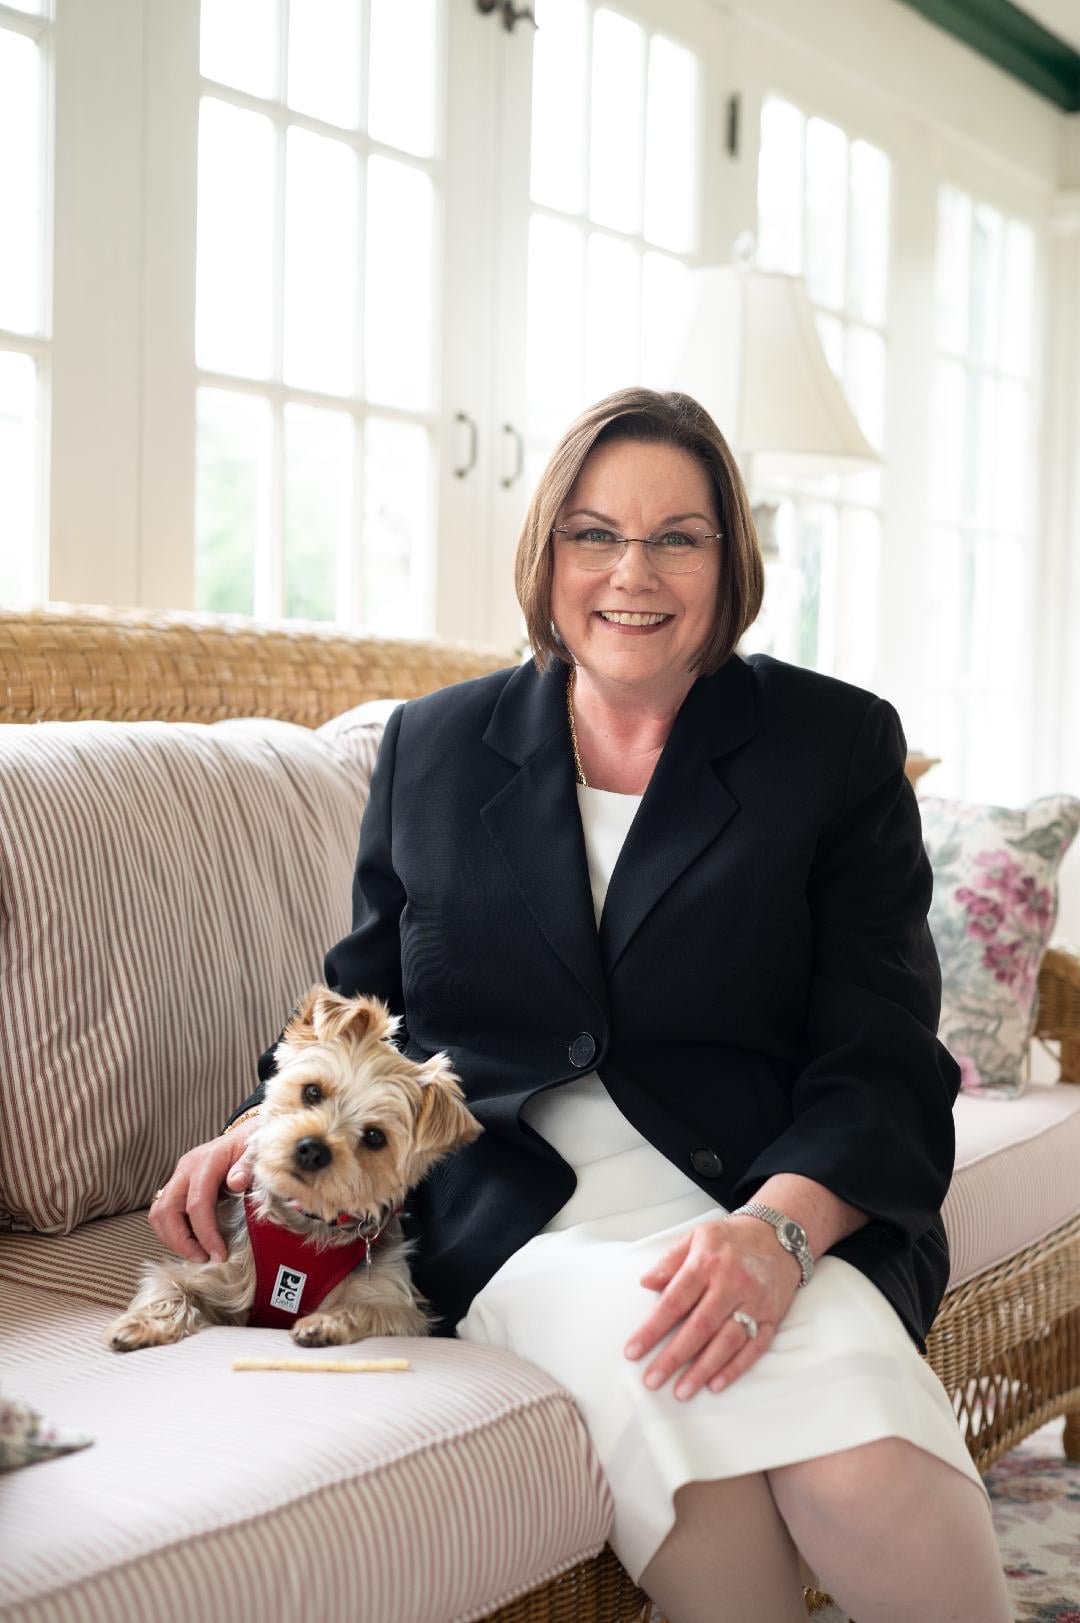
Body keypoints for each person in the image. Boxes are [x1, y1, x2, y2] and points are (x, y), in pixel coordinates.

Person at [152, 389, 1011, 1623]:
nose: (631, 573)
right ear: (547, 552)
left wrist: (776, 1236)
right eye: (594, 534)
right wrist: (259, 1126)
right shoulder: (436, 746)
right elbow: (369, 1004)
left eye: (677, 538)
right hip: (524, 1215)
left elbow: (881, 1051)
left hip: (762, 1190)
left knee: (857, 1447)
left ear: (730, 559)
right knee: (689, 1407)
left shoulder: (832, 746)